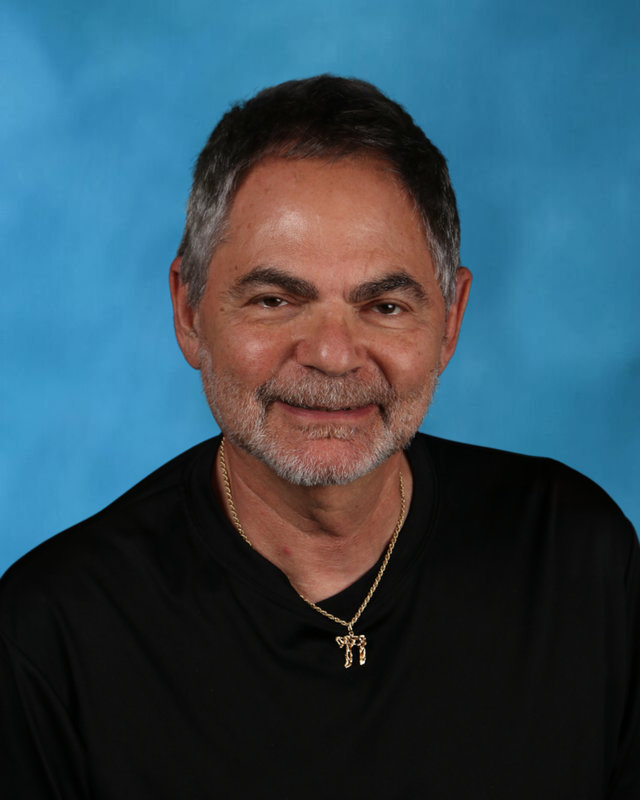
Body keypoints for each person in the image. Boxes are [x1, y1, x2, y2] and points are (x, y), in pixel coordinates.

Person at [1, 75, 638, 799]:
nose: (333, 356)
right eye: (275, 300)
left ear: (451, 321)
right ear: (189, 312)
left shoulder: (575, 560)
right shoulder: (54, 636)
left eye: (385, 305)